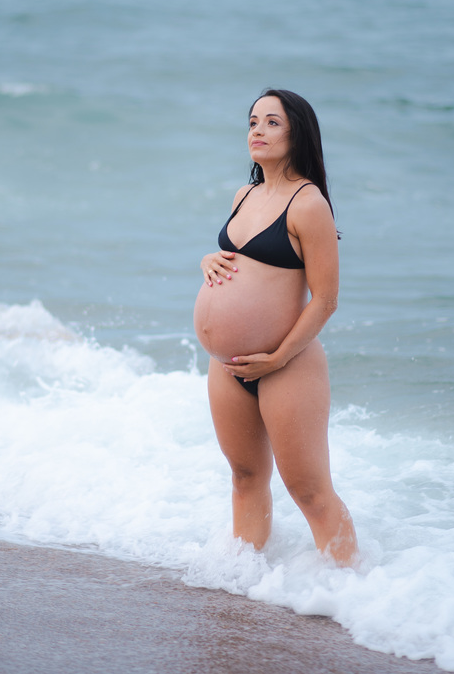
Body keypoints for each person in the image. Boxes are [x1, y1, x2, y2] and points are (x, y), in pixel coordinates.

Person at [193, 88, 359, 566]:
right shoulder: (244, 195)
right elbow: (239, 261)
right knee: (245, 478)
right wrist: (208, 258)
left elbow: (326, 299)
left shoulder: (309, 204)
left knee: (309, 491)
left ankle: (353, 594)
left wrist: (279, 356)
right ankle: (242, 581)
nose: (257, 132)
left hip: (287, 365)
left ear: (296, 133)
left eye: (271, 123)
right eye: (252, 122)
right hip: (226, 365)